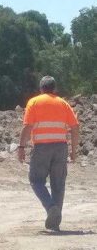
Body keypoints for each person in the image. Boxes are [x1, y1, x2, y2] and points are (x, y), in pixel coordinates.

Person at [18, 76, 80, 231]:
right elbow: (75, 127)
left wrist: (21, 147)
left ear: (41, 89)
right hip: (61, 147)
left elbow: (27, 127)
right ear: (54, 89)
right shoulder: (63, 104)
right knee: (58, 184)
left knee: (36, 180)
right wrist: (73, 151)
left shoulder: (34, 102)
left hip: (42, 148)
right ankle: (55, 221)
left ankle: (50, 207)